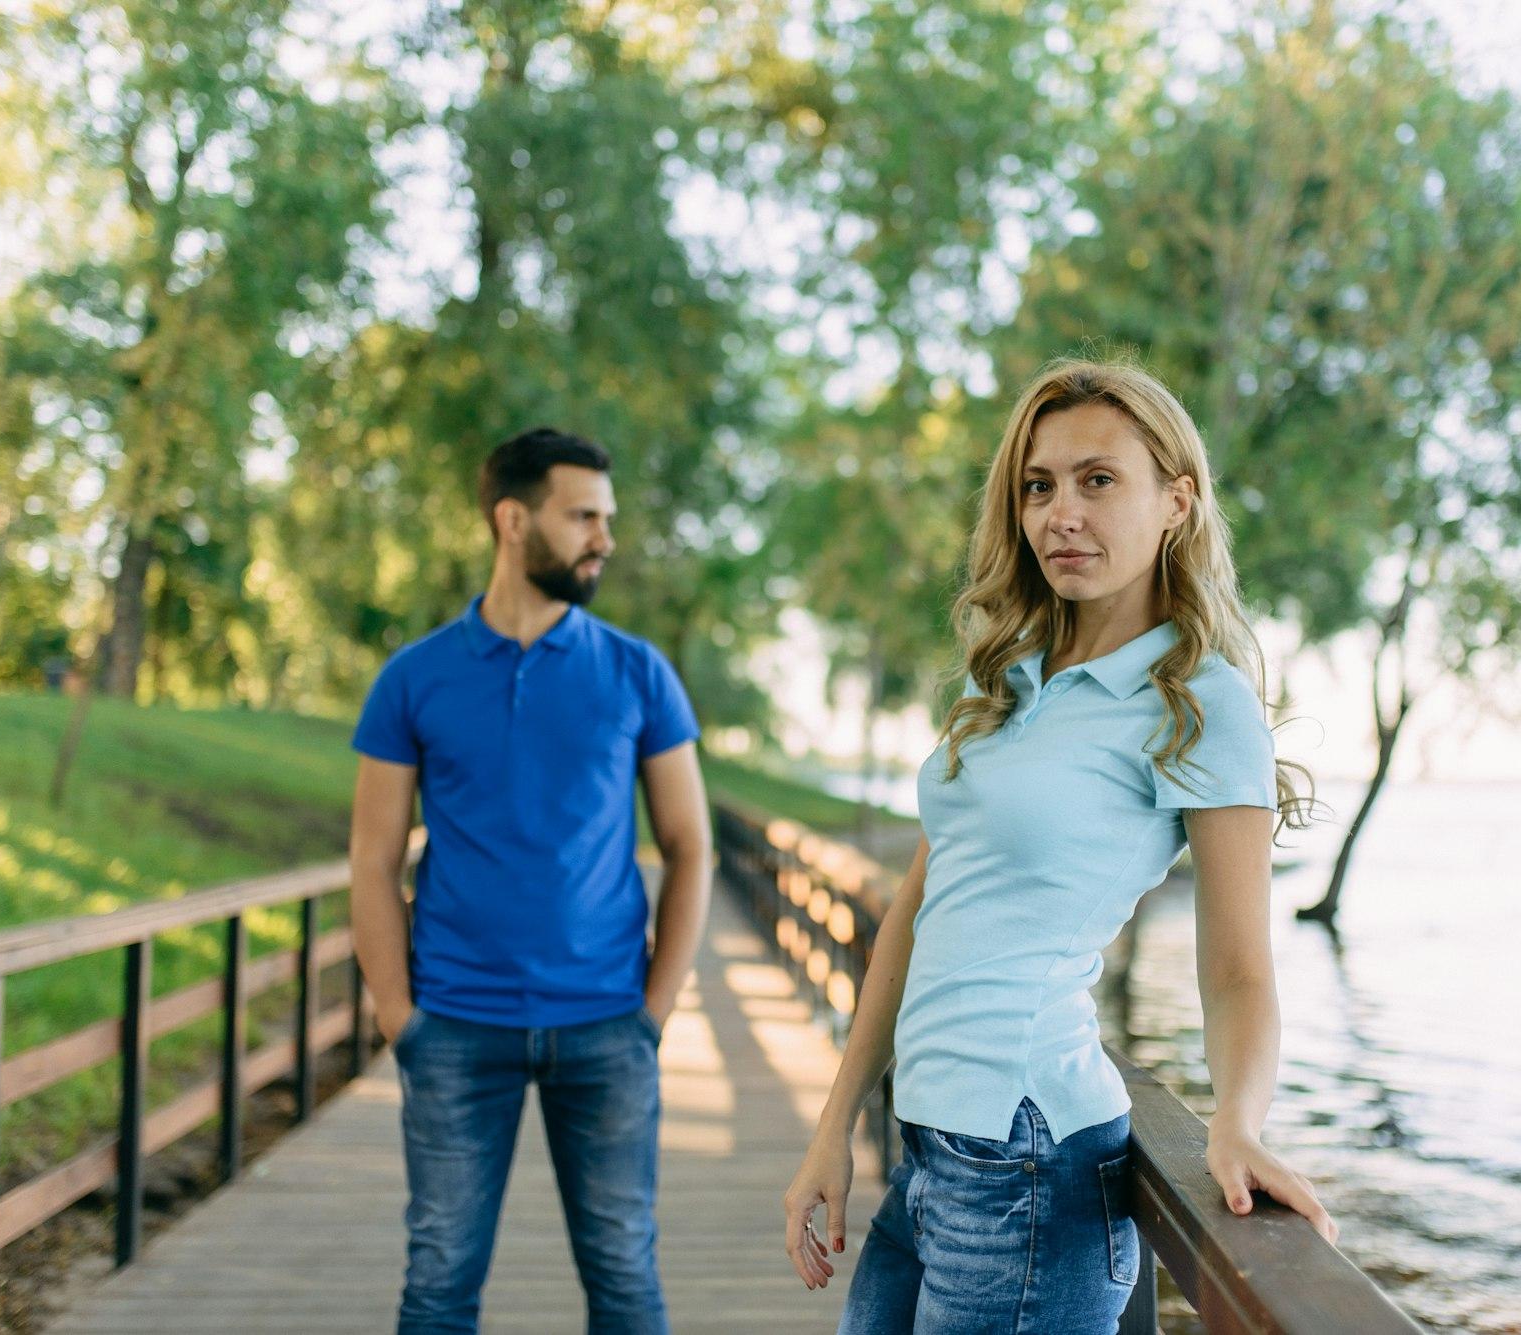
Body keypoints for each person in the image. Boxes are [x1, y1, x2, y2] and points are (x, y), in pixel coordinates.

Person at [781, 358, 1337, 1333]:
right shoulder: (1000, 677)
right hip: (928, 1147)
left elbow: (1240, 970)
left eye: (1096, 480)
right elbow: (917, 910)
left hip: (1029, 1163)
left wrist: (1236, 1125)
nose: (1058, 513)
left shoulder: (1198, 700)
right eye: (1037, 486)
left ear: (1175, 501)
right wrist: (834, 1125)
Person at [349, 427, 712, 1335]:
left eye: (607, 517)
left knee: (626, 1277)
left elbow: (690, 845)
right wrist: (400, 1014)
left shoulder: (637, 672)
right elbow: (371, 858)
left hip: (605, 1028)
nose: (605, 537)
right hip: (457, 1028)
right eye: (583, 515)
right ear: (513, 520)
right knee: (437, 1282)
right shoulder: (413, 678)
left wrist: (653, 1011)